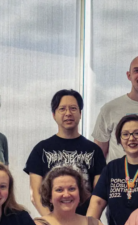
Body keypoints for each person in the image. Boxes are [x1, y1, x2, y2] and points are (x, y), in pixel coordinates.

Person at [25, 89, 106, 217]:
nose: (68, 113)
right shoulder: (40, 150)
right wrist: (51, 223)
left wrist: (89, 224)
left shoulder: (94, 150)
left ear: (80, 113)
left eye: (73, 108)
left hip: (85, 222)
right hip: (52, 223)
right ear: (53, 114)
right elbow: (35, 194)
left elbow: (99, 194)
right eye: (62, 109)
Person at [87, 114, 138, 225]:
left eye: (137, 133)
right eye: (125, 134)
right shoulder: (112, 168)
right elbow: (97, 203)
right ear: (119, 139)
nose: (131, 138)